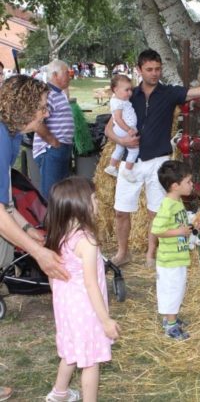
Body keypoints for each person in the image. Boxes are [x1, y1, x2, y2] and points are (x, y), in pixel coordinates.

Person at [105, 48, 200, 267]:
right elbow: (108, 129)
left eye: (157, 69)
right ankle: (123, 253)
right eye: (149, 69)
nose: (154, 73)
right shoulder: (129, 95)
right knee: (121, 211)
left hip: (158, 162)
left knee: (155, 212)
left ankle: (151, 254)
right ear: (139, 70)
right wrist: (122, 142)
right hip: (130, 162)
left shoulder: (170, 93)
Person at [0, 75, 70, 402]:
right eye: (42, 108)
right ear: (24, 106)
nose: (45, 115)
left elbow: (6, 203)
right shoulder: (1, 137)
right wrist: (37, 253)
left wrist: (30, 231)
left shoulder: (12, 137)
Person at [44, 177, 120, 402]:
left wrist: (59, 298)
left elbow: (52, 276)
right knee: (91, 360)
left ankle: (59, 393)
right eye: (94, 198)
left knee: (72, 350)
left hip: (66, 307)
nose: (98, 202)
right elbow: (91, 283)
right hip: (87, 309)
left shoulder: (58, 236)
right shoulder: (87, 241)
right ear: (80, 205)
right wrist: (105, 320)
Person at [152, 160, 200, 340]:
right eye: (188, 182)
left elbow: (179, 224)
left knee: (177, 289)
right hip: (169, 260)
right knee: (172, 290)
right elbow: (157, 229)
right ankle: (171, 326)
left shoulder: (177, 202)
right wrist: (179, 231)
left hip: (178, 256)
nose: (192, 185)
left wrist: (192, 224)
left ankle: (170, 319)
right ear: (175, 186)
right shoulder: (168, 205)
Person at [33, 60, 74, 199]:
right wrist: (53, 142)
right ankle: (48, 221)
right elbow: (37, 121)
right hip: (51, 150)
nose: (69, 76)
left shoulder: (59, 93)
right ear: (55, 75)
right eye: (66, 73)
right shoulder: (48, 94)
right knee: (51, 196)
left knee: (61, 196)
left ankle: (58, 221)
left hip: (59, 148)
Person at [104, 74, 139, 182]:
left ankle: (112, 166)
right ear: (116, 89)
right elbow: (118, 119)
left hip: (121, 130)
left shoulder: (121, 100)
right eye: (126, 90)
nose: (130, 93)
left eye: (131, 90)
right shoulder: (118, 102)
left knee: (119, 148)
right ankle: (127, 170)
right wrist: (128, 129)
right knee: (134, 150)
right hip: (123, 129)